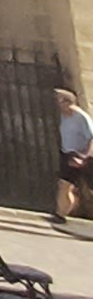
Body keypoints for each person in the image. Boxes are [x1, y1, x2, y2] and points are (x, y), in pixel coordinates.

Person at [58, 86, 93, 220]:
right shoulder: (64, 116)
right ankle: (60, 215)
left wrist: (84, 157)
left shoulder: (81, 117)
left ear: (68, 102)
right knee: (64, 185)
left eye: (60, 100)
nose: (58, 104)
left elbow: (92, 138)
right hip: (68, 155)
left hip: (84, 156)